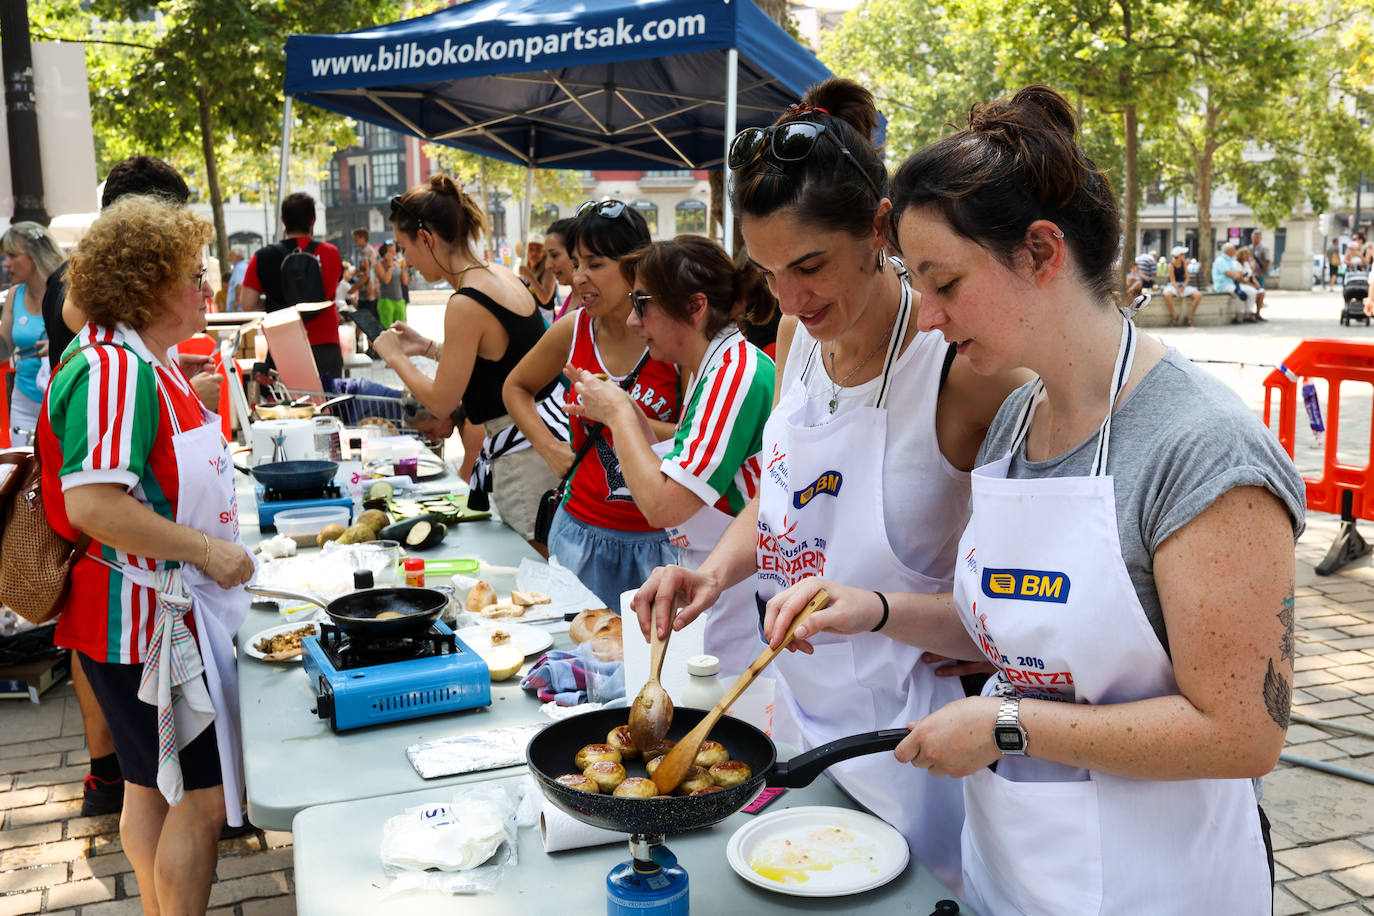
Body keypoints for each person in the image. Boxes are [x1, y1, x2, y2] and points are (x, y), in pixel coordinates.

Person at [762, 84, 1305, 915]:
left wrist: (1007, 725)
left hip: (1155, 889)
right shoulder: (1017, 418)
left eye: (945, 283)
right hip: (1006, 874)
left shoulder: (1200, 448)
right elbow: (1005, 625)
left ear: (1043, 252)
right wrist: (873, 608)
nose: (931, 318)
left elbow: (1242, 732)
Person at [631, 79, 1029, 891]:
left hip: (918, 742)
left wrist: (996, 642)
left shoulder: (960, 366)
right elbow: (784, 495)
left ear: (880, 227)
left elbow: (1041, 575)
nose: (791, 298)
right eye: (769, 271)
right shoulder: (795, 334)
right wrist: (711, 572)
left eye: (809, 266)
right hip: (803, 716)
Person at [40, 194, 257, 914]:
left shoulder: (136, 356)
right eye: (194, 275)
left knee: (147, 784)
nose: (206, 288)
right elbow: (95, 505)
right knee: (203, 797)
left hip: (140, 617)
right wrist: (210, 552)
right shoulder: (113, 368)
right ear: (148, 284)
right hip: (139, 623)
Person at [566, 236, 775, 675]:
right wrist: (616, 410)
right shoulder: (711, 366)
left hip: (741, 597)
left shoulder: (735, 374)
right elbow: (677, 461)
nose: (631, 320)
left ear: (696, 307)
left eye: (641, 303)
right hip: (712, 583)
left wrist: (620, 413)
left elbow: (664, 505)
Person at [505, 200, 681, 606]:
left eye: (595, 264)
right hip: (579, 537)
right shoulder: (573, 329)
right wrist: (549, 448)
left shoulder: (672, 337)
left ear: (635, 267)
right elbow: (515, 387)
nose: (579, 278)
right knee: (579, 662)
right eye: (577, 263)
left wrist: (618, 412)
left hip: (661, 547)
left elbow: (698, 435)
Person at [373, 175, 564, 545]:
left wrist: (396, 357)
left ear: (425, 238)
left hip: (523, 454)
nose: (405, 260)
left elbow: (442, 402)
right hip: (542, 439)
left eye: (403, 247)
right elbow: (503, 361)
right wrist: (427, 347)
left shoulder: (465, 302)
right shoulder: (502, 275)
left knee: (539, 576)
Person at [239, 191, 345, 382]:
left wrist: (273, 303)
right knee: (331, 403)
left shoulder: (263, 256)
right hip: (326, 343)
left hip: (284, 343)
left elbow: (247, 303)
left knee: (289, 406)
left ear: (282, 220)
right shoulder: (331, 253)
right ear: (313, 220)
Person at [0, 222, 64, 444]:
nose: (5, 263)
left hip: (63, 399)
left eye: (12, 255)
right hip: (24, 400)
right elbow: (4, 349)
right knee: (26, 471)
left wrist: (59, 345)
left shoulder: (67, 290)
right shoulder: (14, 294)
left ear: (36, 255)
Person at [519, 232, 559, 323]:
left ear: (544, 252)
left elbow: (545, 299)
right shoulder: (526, 270)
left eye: (538, 249)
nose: (534, 253)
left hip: (546, 323)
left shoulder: (548, 270)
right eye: (531, 249)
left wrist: (530, 277)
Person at [1212, 241, 1255, 323]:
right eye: (1234, 249)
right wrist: (1238, 274)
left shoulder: (1230, 261)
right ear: (1229, 251)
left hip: (1232, 284)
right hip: (1223, 285)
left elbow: (1236, 273)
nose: (1235, 251)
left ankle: (1247, 315)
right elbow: (1230, 274)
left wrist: (1238, 274)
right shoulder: (1221, 260)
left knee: (1252, 291)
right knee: (1239, 293)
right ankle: (1238, 316)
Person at [543, 218, 577, 322]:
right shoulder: (572, 298)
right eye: (546, 256)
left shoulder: (594, 305)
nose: (548, 265)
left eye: (554, 255)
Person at [1161, 245, 1202, 326]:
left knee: (1198, 295)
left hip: (1183, 285)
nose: (1184, 255)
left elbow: (1187, 278)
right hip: (1173, 286)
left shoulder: (1184, 264)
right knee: (1167, 295)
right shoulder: (1171, 265)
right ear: (1179, 255)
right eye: (1183, 254)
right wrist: (1179, 292)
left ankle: (1189, 317)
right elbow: (1172, 281)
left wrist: (1182, 288)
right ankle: (1174, 317)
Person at [374, 241, 407, 329]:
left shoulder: (397, 263)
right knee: (387, 329)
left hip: (399, 300)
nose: (393, 254)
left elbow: (405, 282)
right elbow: (386, 280)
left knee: (401, 329)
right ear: (384, 252)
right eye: (391, 252)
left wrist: (403, 268)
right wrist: (389, 265)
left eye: (395, 251)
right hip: (386, 300)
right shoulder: (379, 265)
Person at [1235, 245, 1266, 320]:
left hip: (1249, 284)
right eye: (1248, 255)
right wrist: (1252, 285)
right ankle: (1248, 314)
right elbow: (1241, 279)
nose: (1249, 257)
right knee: (1252, 292)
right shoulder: (1236, 264)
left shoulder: (1246, 264)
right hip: (1241, 284)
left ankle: (1257, 313)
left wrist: (1257, 284)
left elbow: (1251, 275)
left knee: (1261, 292)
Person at [224, 249, 247, 313]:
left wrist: (237, 302)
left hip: (237, 309)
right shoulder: (241, 266)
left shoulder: (239, 268)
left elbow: (240, 285)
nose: (228, 257)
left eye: (231, 255)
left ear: (238, 257)